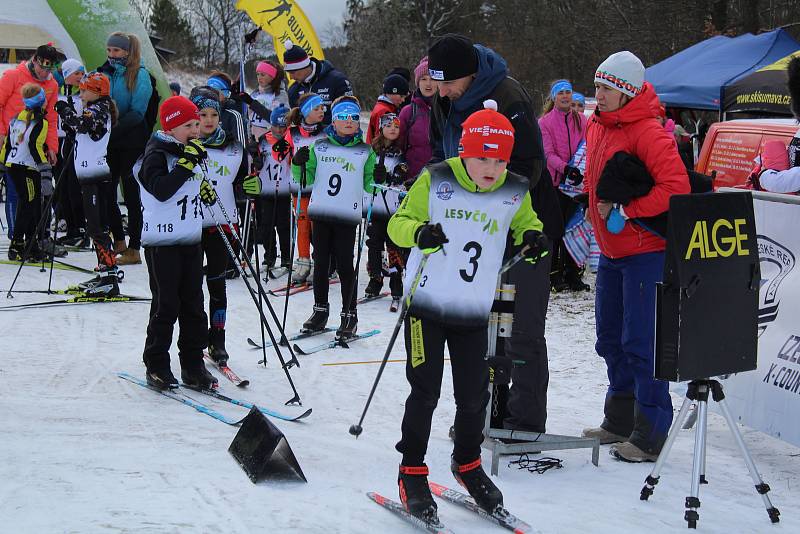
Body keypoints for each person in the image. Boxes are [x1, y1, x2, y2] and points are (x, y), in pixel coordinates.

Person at [387, 100, 549, 523]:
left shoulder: (514, 189)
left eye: (499, 159)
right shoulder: (436, 178)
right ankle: (412, 469)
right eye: (481, 157)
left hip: (474, 309)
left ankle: (467, 462)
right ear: (464, 151)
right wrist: (418, 232)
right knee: (425, 391)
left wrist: (533, 239)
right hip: (425, 305)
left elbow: (525, 224)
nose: (491, 167)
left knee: (474, 393)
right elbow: (396, 223)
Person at [427, 33, 557, 438]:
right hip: (469, 226)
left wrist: (486, 195)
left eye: (448, 84)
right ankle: (479, 415)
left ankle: (525, 421)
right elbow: (440, 155)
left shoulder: (508, 94)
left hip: (521, 222)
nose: (442, 93)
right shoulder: (443, 99)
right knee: (480, 325)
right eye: (437, 85)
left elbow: (530, 164)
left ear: (469, 75)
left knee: (520, 328)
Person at [582, 51, 689, 462]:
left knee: (641, 341)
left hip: (644, 252)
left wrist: (629, 210)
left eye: (606, 88)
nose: (598, 95)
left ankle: (651, 432)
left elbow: (676, 188)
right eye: (596, 87)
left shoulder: (649, 131)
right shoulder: (598, 125)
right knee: (609, 337)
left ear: (626, 92)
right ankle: (619, 418)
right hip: (611, 252)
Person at [135, 95, 217, 390]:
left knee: (194, 306)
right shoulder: (155, 154)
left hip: (190, 240)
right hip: (161, 243)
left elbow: (188, 185)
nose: (196, 130)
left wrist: (204, 191)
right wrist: (187, 164)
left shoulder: (190, 152)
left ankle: (193, 365)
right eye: (188, 125)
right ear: (170, 128)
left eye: (197, 124)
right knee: (166, 305)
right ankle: (156, 364)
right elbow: (161, 190)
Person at [291, 95, 376, 337]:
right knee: (321, 265)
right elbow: (303, 177)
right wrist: (298, 163)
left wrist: (379, 177)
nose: (349, 122)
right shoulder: (320, 146)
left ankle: (350, 315)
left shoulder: (365, 151)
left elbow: (370, 184)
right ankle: (320, 311)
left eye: (353, 117)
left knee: (346, 266)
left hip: (347, 216)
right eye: (343, 117)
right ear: (334, 121)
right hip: (321, 213)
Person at [192, 92, 255, 365]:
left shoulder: (233, 148)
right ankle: (194, 340)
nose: (208, 120)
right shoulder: (185, 145)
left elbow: (241, 182)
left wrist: (251, 188)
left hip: (221, 222)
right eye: (203, 115)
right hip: (190, 225)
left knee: (217, 285)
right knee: (191, 287)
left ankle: (218, 341)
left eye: (214, 115)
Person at [55, 72, 120, 296]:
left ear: (97, 91)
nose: (80, 95)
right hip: (87, 177)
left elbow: (82, 125)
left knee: (97, 227)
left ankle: (109, 274)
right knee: (94, 226)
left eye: (84, 90)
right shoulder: (93, 108)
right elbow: (78, 131)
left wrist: (65, 110)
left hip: (96, 178)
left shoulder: (100, 108)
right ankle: (104, 271)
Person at [99, 32, 154, 266]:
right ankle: (119, 240)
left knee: (132, 194)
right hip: (109, 141)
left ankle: (134, 246)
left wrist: (115, 129)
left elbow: (138, 112)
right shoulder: (105, 72)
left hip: (131, 139)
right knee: (107, 190)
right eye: (109, 50)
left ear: (128, 52)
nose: (112, 55)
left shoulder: (140, 75)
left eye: (117, 51)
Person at [0, 43, 61, 243]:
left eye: (50, 68)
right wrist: (1, 133)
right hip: (13, 145)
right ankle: (14, 236)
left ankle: (32, 236)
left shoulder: (52, 85)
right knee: (15, 192)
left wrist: (52, 146)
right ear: (34, 60)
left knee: (34, 196)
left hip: (35, 147)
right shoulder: (13, 76)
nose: (45, 72)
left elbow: (51, 118)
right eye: (43, 66)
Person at [539, 79, 590, 292]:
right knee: (556, 230)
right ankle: (554, 273)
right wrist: (566, 169)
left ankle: (573, 273)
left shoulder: (582, 120)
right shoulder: (545, 122)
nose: (565, 96)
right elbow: (548, 154)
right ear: (553, 97)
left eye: (568, 92)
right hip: (556, 183)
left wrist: (582, 170)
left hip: (578, 184)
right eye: (561, 93)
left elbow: (588, 145)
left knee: (575, 227)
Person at [0, 83, 52, 261]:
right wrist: (45, 171)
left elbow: (8, 144)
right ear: (42, 101)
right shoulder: (41, 121)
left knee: (31, 205)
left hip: (14, 166)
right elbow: (34, 146)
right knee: (29, 205)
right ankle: (17, 244)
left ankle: (30, 243)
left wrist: (2, 163)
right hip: (27, 168)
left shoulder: (17, 117)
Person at [364, 113, 407, 310]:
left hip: (392, 207)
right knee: (374, 244)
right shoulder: (372, 150)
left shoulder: (401, 151)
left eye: (396, 126)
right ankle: (376, 279)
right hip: (375, 205)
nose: (392, 129)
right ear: (381, 128)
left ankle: (396, 283)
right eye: (388, 125)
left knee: (393, 245)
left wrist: (398, 174)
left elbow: (404, 171)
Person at [286, 92, 327, 285]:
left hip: (320, 188)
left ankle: (322, 262)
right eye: (317, 108)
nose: (322, 111)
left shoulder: (326, 131)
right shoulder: (292, 132)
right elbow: (282, 156)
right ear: (305, 111)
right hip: (299, 186)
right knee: (302, 224)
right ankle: (303, 261)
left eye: (322, 108)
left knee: (316, 227)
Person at [257, 105, 294, 272]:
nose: (279, 129)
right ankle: (269, 257)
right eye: (276, 125)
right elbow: (256, 162)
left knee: (284, 226)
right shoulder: (263, 140)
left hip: (284, 190)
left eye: (283, 126)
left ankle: (286, 258)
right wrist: (255, 160)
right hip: (266, 189)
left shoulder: (291, 139)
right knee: (266, 225)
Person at [55, 59, 87, 247]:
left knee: (75, 187)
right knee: (62, 188)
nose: (80, 77)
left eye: (82, 73)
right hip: (59, 143)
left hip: (76, 143)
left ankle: (81, 229)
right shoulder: (58, 94)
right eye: (76, 73)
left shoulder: (83, 95)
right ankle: (71, 228)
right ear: (67, 75)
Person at [283, 39, 353, 124]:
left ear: (304, 66)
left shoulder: (337, 81)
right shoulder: (293, 90)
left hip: (333, 136)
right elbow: (296, 123)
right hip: (305, 137)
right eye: (288, 73)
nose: (291, 77)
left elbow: (350, 115)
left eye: (293, 72)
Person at [399, 57, 434, 181]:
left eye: (432, 79)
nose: (428, 83)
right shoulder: (408, 112)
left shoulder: (448, 110)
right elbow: (399, 146)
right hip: (413, 178)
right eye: (423, 79)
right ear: (417, 82)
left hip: (441, 179)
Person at [245, 60, 289, 139]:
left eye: (263, 75)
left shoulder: (280, 94)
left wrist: (253, 104)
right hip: (253, 138)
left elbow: (277, 119)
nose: (259, 77)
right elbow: (247, 117)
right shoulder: (255, 93)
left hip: (271, 139)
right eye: (258, 74)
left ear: (272, 77)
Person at [366, 73, 408, 142]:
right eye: (401, 96)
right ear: (392, 92)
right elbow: (381, 140)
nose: (403, 100)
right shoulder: (384, 111)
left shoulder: (385, 107)